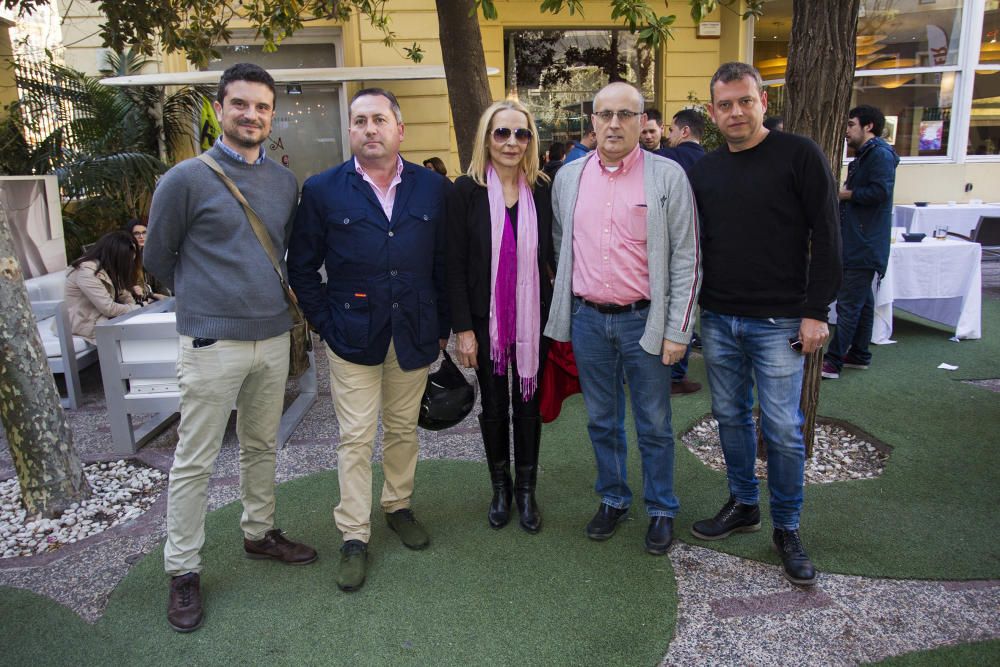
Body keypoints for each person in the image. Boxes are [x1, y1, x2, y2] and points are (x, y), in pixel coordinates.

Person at [145, 63, 317, 634]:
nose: (252, 115)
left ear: (272, 114)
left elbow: (286, 254)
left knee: (262, 445)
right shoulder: (185, 179)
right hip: (211, 341)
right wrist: (205, 300)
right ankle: (183, 569)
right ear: (220, 108)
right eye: (240, 104)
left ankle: (259, 532)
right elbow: (157, 261)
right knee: (195, 460)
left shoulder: (285, 183)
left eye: (262, 106)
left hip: (271, 338)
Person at [287, 88, 450, 593]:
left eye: (380, 119)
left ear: (400, 130)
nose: (370, 129)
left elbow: (445, 264)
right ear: (350, 131)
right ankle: (354, 535)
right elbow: (302, 266)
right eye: (360, 121)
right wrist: (324, 324)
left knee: (403, 429)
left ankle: (398, 506)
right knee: (356, 438)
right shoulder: (321, 190)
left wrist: (441, 325)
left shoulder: (432, 188)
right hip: (351, 335)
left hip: (414, 333)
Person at [686, 62, 841, 586]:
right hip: (721, 318)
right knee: (729, 419)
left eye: (744, 101)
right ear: (712, 112)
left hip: (781, 322)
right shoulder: (703, 170)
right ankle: (744, 504)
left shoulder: (799, 155)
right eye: (725, 104)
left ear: (763, 104)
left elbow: (828, 236)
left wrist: (817, 311)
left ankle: (788, 527)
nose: (735, 112)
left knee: (782, 430)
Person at [543, 82, 701, 556]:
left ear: (640, 120)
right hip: (589, 321)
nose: (614, 123)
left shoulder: (668, 176)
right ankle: (613, 498)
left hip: (645, 322)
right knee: (602, 420)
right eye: (604, 114)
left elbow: (687, 257)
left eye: (625, 114)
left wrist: (677, 331)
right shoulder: (569, 178)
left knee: (653, 421)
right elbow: (560, 245)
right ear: (591, 122)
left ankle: (661, 509)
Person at [447, 100, 555, 534]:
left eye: (521, 133)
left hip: (534, 319)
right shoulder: (465, 191)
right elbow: (452, 265)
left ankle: (527, 491)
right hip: (485, 323)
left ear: (531, 141)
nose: (512, 142)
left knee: (527, 404)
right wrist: (464, 330)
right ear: (486, 138)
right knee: (494, 405)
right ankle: (500, 488)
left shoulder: (543, 189)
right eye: (502, 133)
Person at [822, 105, 899, 380]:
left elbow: (880, 191)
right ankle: (858, 354)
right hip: (860, 240)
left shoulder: (878, 154)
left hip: (863, 243)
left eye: (851, 124)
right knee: (863, 301)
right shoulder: (866, 156)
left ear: (868, 127)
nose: (846, 130)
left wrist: (845, 195)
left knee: (849, 303)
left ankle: (833, 361)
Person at [659, 108, 708, 395]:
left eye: (671, 131)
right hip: (702, 247)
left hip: (672, 246)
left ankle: (673, 373)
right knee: (688, 308)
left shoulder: (668, 160)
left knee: (674, 306)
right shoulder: (712, 162)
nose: (669, 137)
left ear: (685, 131)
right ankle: (677, 373)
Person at [64, 230, 141, 343]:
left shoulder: (109, 268)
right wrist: (136, 308)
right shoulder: (86, 271)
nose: (129, 264)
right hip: (83, 324)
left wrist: (135, 307)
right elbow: (108, 308)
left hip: (100, 320)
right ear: (116, 256)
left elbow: (123, 293)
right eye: (127, 260)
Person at [125, 218, 169, 304]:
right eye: (136, 233)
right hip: (136, 301)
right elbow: (132, 287)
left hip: (154, 299)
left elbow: (159, 281)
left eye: (144, 232)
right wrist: (152, 295)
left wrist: (166, 298)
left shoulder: (150, 253)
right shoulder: (127, 257)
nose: (141, 237)